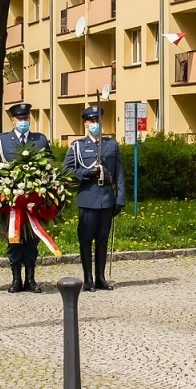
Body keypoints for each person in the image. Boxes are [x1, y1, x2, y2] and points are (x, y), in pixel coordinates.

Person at [0, 102, 52, 293]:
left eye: (26, 118)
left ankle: (30, 279)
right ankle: (16, 279)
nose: (23, 121)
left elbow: (50, 164)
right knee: (14, 240)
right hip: (11, 201)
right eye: (19, 118)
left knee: (32, 240)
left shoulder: (39, 140)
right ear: (12, 120)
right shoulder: (1, 140)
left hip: (34, 200)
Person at [64, 105, 124, 291]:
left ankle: (100, 277)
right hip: (88, 198)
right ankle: (88, 278)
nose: (96, 124)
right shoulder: (78, 146)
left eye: (98, 120)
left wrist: (120, 198)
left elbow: (119, 172)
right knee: (86, 239)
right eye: (92, 121)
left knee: (102, 239)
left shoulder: (111, 145)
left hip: (106, 198)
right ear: (85, 124)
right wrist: (85, 173)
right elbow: (66, 170)